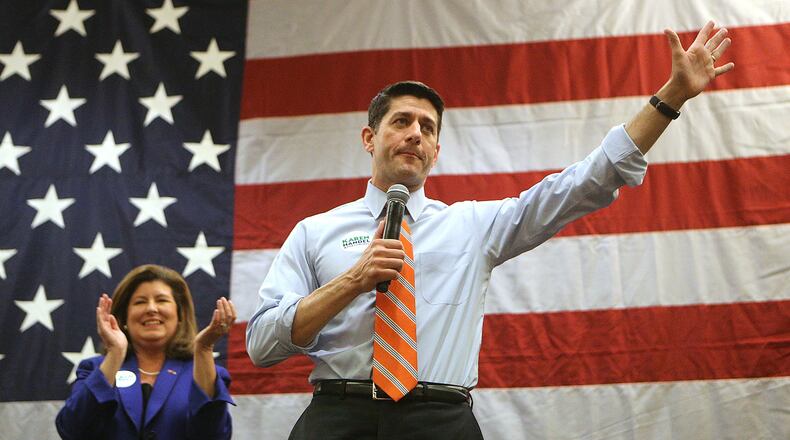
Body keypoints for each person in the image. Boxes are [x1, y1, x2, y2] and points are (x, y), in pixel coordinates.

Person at [245, 21, 734, 439]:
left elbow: (583, 184)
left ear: (436, 152)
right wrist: (352, 281)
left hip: (441, 421)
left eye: (428, 127)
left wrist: (670, 98)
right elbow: (263, 344)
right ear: (370, 138)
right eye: (401, 122)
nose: (416, 133)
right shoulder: (314, 231)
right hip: (338, 417)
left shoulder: (473, 226)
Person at [56, 264, 238, 440]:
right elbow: (72, 431)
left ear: (180, 315)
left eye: (162, 300)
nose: (151, 308)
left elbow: (214, 435)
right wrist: (116, 353)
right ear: (125, 317)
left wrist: (204, 349)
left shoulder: (205, 373)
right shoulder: (94, 369)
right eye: (140, 302)